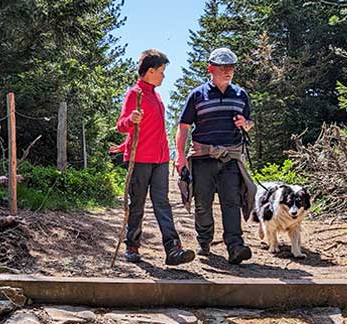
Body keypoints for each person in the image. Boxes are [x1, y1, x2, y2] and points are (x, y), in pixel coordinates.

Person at [110, 49, 195, 265]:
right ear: (149, 71)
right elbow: (121, 126)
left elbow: (153, 130)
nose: (164, 75)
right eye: (161, 71)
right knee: (137, 203)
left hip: (160, 160)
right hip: (139, 160)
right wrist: (131, 119)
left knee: (162, 204)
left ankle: (173, 249)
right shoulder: (134, 94)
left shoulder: (156, 95)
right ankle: (132, 247)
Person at [174, 47, 257, 265]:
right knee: (203, 203)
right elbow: (183, 127)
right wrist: (180, 157)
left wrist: (245, 124)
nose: (228, 71)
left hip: (230, 159)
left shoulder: (241, 95)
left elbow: (249, 123)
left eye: (231, 67)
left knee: (232, 202)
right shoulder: (197, 95)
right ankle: (204, 242)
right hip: (203, 158)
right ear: (211, 69)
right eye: (223, 68)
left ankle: (235, 246)